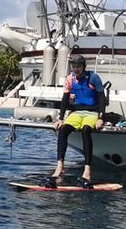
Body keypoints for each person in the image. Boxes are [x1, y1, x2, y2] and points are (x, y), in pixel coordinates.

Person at [46, 55, 105, 189]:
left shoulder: (93, 78)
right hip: (76, 113)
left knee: (85, 130)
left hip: (92, 112)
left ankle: (87, 169)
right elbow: (65, 100)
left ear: (84, 66)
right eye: (73, 67)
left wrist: (101, 117)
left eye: (78, 66)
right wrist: (60, 118)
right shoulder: (70, 79)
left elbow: (102, 97)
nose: (76, 69)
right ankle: (60, 166)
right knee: (63, 129)